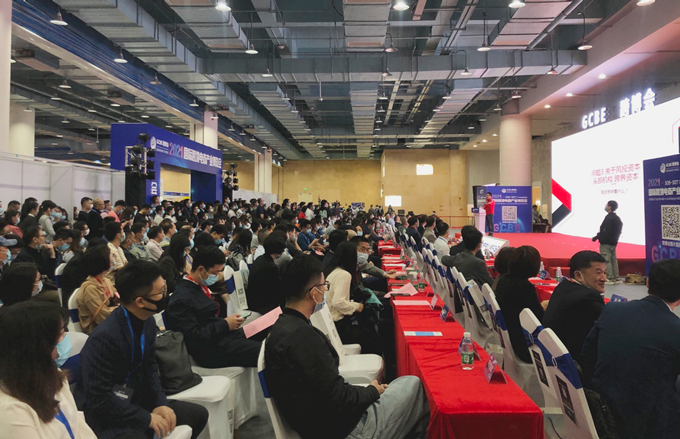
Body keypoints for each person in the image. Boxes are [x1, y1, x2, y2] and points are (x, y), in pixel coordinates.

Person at [265, 254, 430, 439]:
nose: (325, 291)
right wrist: (371, 391)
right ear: (313, 292)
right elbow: (338, 399)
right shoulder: (303, 338)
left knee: (401, 384)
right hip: (346, 429)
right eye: (324, 286)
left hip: (319, 421)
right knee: (414, 385)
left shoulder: (282, 327)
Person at [78, 260, 209, 439]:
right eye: (160, 292)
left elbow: (150, 367)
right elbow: (99, 398)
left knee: (198, 414)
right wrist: (145, 418)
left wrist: (160, 403)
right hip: (108, 414)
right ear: (140, 301)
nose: (165, 296)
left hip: (136, 398)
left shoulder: (147, 322)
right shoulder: (104, 337)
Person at [582, 259, 680, 439]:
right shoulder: (675, 328)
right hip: (651, 423)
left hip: (601, 407)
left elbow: (587, 355)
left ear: (648, 283)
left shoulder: (613, 310)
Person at [0, 301, 97, 439]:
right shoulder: (10, 411)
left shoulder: (54, 375)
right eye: (61, 333)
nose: (66, 337)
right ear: (39, 345)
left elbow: (79, 426)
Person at [165, 247, 262, 368]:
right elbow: (193, 337)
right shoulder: (181, 299)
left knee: (262, 329)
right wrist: (225, 324)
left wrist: (227, 323)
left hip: (221, 336)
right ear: (201, 269)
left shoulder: (196, 285)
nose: (218, 276)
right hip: (211, 350)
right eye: (215, 273)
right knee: (266, 351)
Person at [542, 250, 606, 366]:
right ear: (578, 275)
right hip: (574, 364)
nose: (604, 278)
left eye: (604, 273)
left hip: (553, 358)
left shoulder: (562, 287)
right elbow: (608, 327)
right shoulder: (588, 298)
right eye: (598, 273)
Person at [324, 241, 381, 355]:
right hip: (339, 325)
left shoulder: (331, 270)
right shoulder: (344, 275)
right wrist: (356, 306)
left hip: (331, 321)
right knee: (373, 337)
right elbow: (338, 302)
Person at [494, 246, 546, 363]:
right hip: (523, 344)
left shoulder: (504, 280)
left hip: (509, 335)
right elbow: (539, 318)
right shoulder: (524, 287)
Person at [77, 244, 119, 335]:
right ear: (103, 261)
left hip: (111, 324)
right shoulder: (90, 289)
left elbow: (118, 298)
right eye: (111, 255)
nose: (113, 256)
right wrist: (122, 309)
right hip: (97, 330)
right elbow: (102, 317)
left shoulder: (106, 280)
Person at [246, 233, 286, 315]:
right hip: (261, 304)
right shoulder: (271, 267)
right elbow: (276, 292)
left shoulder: (260, 259)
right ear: (279, 251)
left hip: (253, 299)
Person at [592, 200, 623, 285]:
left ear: (609, 207)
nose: (606, 206)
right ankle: (615, 276)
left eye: (607, 205)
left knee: (607, 259)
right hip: (614, 242)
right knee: (613, 259)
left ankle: (609, 277)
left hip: (607, 242)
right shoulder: (617, 218)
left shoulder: (609, 218)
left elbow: (605, 231)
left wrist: (600, 238)